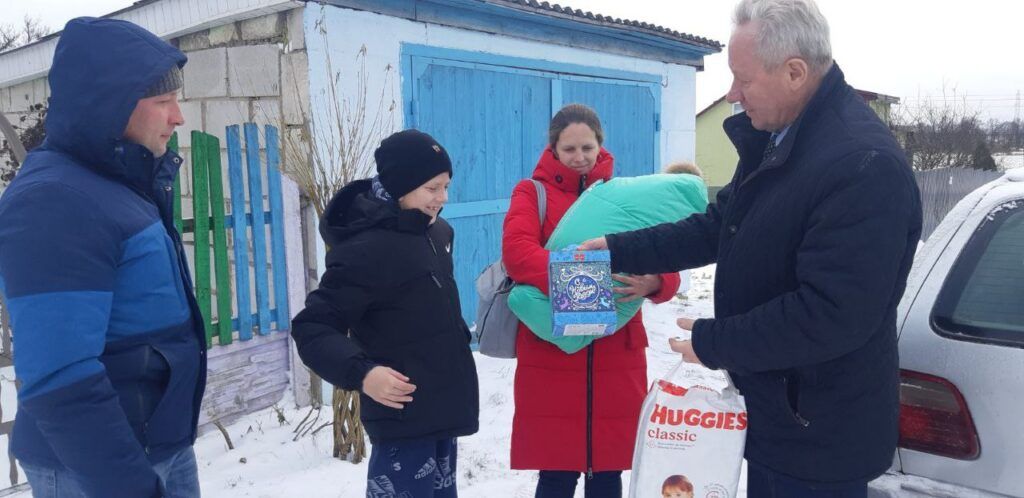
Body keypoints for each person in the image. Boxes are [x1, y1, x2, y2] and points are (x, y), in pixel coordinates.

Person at [580, 0, 922, 496]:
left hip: (819, 437)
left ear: (795, 73)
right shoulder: (783, 140)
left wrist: (715, 342)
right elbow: (719, 226)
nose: (732, 95)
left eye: (743, 79)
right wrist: (618, 248)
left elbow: (831, 314)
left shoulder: (862, 166)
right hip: (780, 415)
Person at [0, 17, 205, 497]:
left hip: (157, 446)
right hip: (95, 470)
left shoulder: (117, 184)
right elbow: (59, 376)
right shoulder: (56, 200)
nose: (178, 117)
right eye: (163, 101)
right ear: (110, 105)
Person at [503, 103, 681, 498]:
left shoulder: (624, 197)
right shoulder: (532, 193)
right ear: (553, 149)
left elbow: (668, 254)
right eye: (569, 149)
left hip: (616, 354)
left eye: (588, 148)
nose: (580, 157)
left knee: (607, 473)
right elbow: (518, 254)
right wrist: (586, 283)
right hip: (552, 349)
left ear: (601, 146)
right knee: (556, 473)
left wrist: (655, 281)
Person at [291, 129, 479, 497]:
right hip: (401, 421)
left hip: (442, 412)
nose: (442, 198)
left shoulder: (438, 233)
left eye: (446, 186)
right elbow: (312, 327)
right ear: (399, 186)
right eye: (432, 188)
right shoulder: (364, 251)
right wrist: (363, 374)